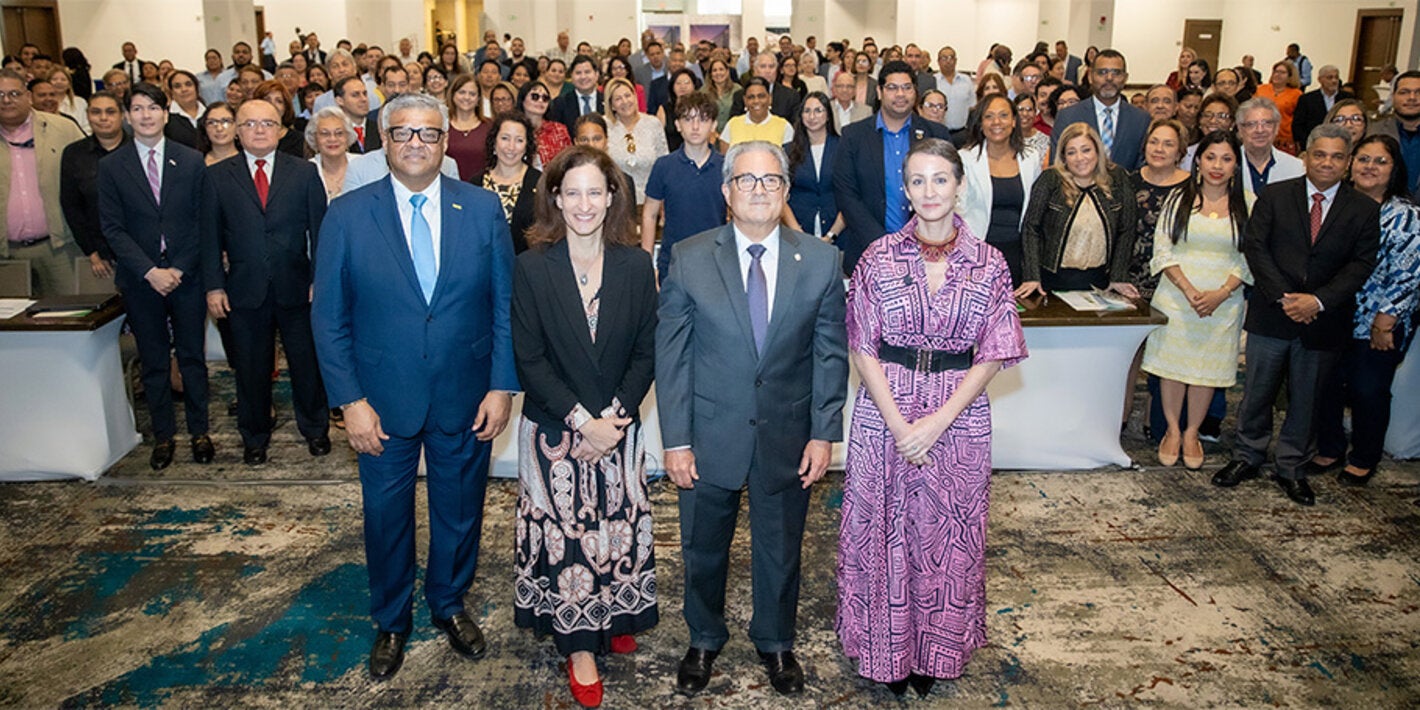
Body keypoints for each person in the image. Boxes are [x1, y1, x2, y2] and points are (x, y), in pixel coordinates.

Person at [311, 92, 518, 680]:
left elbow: (504, 305)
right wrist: (350, 402)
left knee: (459, 513)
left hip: (467, 394)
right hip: (380, 402)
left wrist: (501, 385)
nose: (416, 144)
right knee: (386, 517)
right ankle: (392, 620)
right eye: (403, 133)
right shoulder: (348, 215)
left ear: (446, 141)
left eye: (429, 134)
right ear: (383, 140)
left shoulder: (480, 210)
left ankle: (448, 604)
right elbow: (328, 319)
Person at [657, 140, 848, 698]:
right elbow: (673, 356)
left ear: (787, 191)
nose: (759, 190)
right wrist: (676, 439)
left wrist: (822, 432)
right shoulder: (690, 257)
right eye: (747, 180)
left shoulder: (820, 259)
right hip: (709, 434)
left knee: (781, 547)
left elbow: (830, 354)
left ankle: (776, 641)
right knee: (703, 547)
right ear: (726, 192)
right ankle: (703, 637)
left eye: (771, 181)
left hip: (788, 434)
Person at [838, 136, 1025, 698]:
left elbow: (996, 350)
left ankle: (933, 655)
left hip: (959, 416)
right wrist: (899, 424)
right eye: (917, 181)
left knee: (948, 540)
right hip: (883, 410)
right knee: (882, 534)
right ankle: (884, 652)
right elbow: (861, 345)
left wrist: (939, 420)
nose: (929, 191)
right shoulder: (877, 257)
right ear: (905, 190)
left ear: (960, 185)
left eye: (940, 179)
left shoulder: (990, 263)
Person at [509, 145, 658, 709]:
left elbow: (647, 350)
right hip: (554, 431)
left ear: (614, 196)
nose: (584, 203)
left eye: (595, 191)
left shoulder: (635, 264)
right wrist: (582, 423)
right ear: (554, 198)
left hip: (618, 428)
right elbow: (530, 359)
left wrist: (614, 419)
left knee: (617, 526)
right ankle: (578, 645)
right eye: (571, 192)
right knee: (568, 537)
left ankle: (616, 611)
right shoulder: (531, 266)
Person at [1212, 124, 1380, 507]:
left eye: (1338, 156)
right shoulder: (1274, 196)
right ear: (1306, 156)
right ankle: (1247, 456)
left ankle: (1291, 466)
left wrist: (1317, 301)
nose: (1327, 163)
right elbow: (1256, 248)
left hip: (1323, 320)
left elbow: (1360, 264)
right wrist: (1286, 298)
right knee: (1256, 393)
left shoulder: (1364, 210)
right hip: (1273, 313)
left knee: (1307, 399)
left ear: (1348, 162)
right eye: (1320, 154)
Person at [203, 99, 330, 465]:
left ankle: (315, 429)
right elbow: (208, 237)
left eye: (268, 123)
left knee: (307, 366)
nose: (259, 130)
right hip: (243, 289)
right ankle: (254, 436)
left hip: (297, 287)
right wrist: (214, 286)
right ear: (237, 131)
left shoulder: (304, 173)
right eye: (250, 124)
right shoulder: (216, 176)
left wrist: (319, 280)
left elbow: (321, 232)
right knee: (251, 369)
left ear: (280, 129)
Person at [97, 82, 213, 470]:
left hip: (186, 276)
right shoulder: (112, 166)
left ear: (166, 113)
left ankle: (200, 431)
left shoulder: (192, 160)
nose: (145, 115)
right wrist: (149, 271)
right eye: (137, 108)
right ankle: (163, 436)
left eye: (153, 107)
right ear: (128, 116)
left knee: (193, 357)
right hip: (140, 278)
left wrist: (178, 268)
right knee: (154, 360)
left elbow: (203, 222)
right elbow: (113, 229)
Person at [1142, 130, 1252, 470]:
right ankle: (1172, 431)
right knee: (1173, 369)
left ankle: (1192, 432)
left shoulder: (1248, 203)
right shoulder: (1179, 198)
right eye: (1210, 157)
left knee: (1204, 371)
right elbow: (1162, 250)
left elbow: (1251, 256)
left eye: (1226, 158)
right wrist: (1188, 290)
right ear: (1198, 161)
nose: (1217, 165)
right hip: (1177, 298)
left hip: (1223, 303)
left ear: (1236, 164)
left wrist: (1221, 293)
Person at [1313, 135, 1420, 485]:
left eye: (1380, 161)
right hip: (1333, 312)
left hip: (1379, 321)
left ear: (1394, 169)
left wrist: (1385, 321)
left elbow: (1408, 273)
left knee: (1368, 388)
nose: (1369, 167)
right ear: (1350, 164)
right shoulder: (1338, 204)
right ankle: (1330, 447)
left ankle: (1364, 455)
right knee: (1325, 384)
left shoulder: (1403, 214)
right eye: (1363, 159)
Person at [833, 60, 953, 276]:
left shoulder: (936, 134)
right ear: (879, 92)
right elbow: (846, 195)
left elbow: (946, 191)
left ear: (915, 92)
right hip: (867, 253)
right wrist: (884, 245)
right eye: (892, 88)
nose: (900, 94)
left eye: (907, 87)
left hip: (926, 255)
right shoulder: (853, 136)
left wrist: (914, 242)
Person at [1018, 122, 1138, 297]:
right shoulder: (1050, 180)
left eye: (1086, 150)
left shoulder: (1118, 179)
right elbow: (1031, 228)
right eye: (1071, 152)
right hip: (1051, 281)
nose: (1080, 158)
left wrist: (1119, 276)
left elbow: (1127, 229)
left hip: (1102, 282)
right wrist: (1031, 276)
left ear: (1098, 151)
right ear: (1064, 157)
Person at [0, 69, 85, 298]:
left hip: (58, 250)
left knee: (70, 320)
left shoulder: (63, 129)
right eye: (0, 94)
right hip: (6, 255)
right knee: (13, 328)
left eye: (14, 93)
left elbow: (89, 179)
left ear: (28, 96)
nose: (6, 100)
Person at [959, 93, 1043, 285]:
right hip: (977, 254)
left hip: (1017, 254)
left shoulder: (1031, 157)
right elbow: (959, 213)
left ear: (1014, 121)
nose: (997, 122)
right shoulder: (965, 159)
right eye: (989, 116)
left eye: (1004, 115)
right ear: (981, 123)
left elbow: (1035, 213)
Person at [642, 91, 725, 282]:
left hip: (715, 264)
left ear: (713, 125)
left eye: (703, 120)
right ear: (678, 125)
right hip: (672, 264)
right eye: (688, 119)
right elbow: (649, 214)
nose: (695, 127)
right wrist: (646, 263)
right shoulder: (663, 166)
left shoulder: (726, 166)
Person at [61, 91, 127, 283]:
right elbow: (71, 206)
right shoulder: (74, 153)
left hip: (142, 251)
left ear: (122, 115)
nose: (103, 118)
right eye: (96, 112)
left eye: (110, 112)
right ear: (88, 115)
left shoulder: (139, 149)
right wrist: (91, 251)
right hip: (100, 252)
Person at [1051, 49, 1149, 170]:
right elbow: (1057, 166)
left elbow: (1143, 166)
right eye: (1102, 72)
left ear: (1125, 78)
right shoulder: (1068, 116)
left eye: (1116, 73)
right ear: (1091, 76)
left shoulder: (1141, 119)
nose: (1109, 78)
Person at [1129, 120, 1192, 299]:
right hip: (1129, 286)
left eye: (1168, 144)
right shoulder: (1128, 182)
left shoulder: (1193, 188)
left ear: (1180, 151)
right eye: (1153, 142)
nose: (1159, 149)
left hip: (1177, 286)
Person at [783, 91, 843, 245]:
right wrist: (796, 231)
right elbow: (781, 196)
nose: (812, 116)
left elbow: (850, 196)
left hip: (838, 233)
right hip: (797, 234)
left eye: (818, 110)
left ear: (828, 115)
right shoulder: (788, 151)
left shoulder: (843, 147)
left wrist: (831, 236)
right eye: (807, 111)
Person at [476, 112, 540, 253]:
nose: (511, 147)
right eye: (505, 138)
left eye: (519, 140)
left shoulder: (540, 183)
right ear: (494, 141)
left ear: (527, 146)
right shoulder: (475, 185)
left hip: (526, 268)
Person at [604, 77, 666, 207]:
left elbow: (664, 164)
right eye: (618, 99)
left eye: (628, 95)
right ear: (611, 105)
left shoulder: (653, 123)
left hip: (651, 201)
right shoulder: (604, 126)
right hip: (615, 203)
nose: (625, 101)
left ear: (635, 97)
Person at [1365, 71, 1420, 195]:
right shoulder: (1372, 132)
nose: (1412, 97)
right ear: (1393, 96)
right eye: (1404, 92)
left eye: (1418, 92)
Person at [1238, 97, 1305, 195]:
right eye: (1251, 124)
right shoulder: (1228, 165)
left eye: (1267, 123)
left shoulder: (1297, 168)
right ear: (1240, 129)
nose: (1260, 130)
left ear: (1277, 128)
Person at [720, 77, 793, 152]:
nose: (756, 101)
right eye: (751, 97)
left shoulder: (784, 126)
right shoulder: (733, 124)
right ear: (745, 100)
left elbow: (790, 159)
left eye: (761, 96)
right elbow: (725, 160)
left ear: (770, 98)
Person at [1292, 66, 1352, 153]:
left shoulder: (1347, 98)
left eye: (1336, 77)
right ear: (1320, 79)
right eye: (1330, 77)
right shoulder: (1307, 99)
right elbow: (1298, 125)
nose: (1334, 81)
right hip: (1313, 143)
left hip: (1341, 144)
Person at [443, 74, 489, 180]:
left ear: (478, 99)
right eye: (462, 92)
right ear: (453, 95)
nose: (467, 97)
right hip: (448, 189)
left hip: (481, 189)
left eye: (472, 94)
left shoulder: (489, 126)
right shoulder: (442, 125)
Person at [1256, 62, 1303, 154]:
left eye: (1282, 72)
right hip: (1260, 134)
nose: (1278, 75)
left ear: (1290, 76)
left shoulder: (1296, 94)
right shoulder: (1260, 89)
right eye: (1276, 71)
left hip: (1284, 140)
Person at [307, 106, 352, 201]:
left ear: (348, 136)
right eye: (325, 134)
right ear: (314, 138)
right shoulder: (305, 171)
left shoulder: (363, 164)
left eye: (339, 133)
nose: (333, 139)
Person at [1182, 94, 1237, 171]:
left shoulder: (1241, 154)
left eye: (1221, 116)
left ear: (1232, 123)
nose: (1213, 121)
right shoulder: (1186, 154)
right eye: (1207, 115)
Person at [550, 55, 604, 133]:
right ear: (571, 76)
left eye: (587, 72)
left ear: (596, 75)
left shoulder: (608, 101)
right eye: (578, 73)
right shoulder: (560, 103)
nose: (583, 77)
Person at [934, 46, 974, 131]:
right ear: (938, 61)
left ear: (955, 61)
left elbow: (972, 106)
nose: (948, 61)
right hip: (939, 131)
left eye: (951, 58)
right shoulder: (933, 81)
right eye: (944, 58)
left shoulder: (966, 81)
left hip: (962, 132)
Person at [703, 58, 741, 132]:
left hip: (733, 133)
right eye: (714, 70)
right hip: (709, 135)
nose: (718, 73)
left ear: (727, 72)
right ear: (710, 74)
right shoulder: (703, 92)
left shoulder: (738, 90)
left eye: (721, 69)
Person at [1015, 93, 1049, 159]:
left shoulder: (1045, 141)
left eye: (1029, 109)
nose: (1025, 114)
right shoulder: (1006, 139)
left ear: (1035, 113)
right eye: (1020, 109)